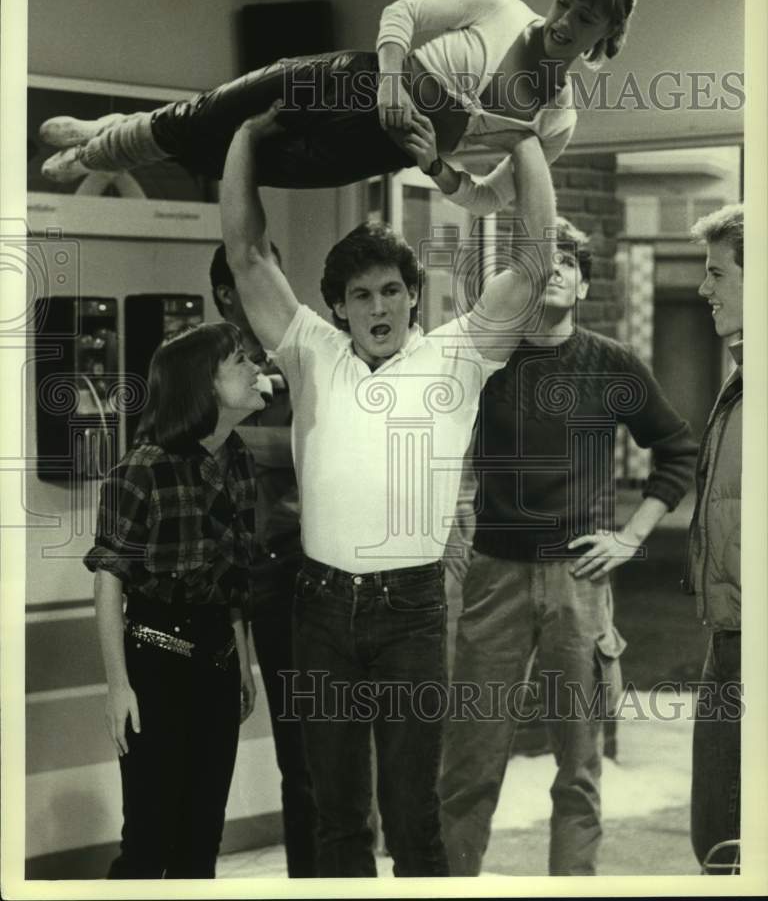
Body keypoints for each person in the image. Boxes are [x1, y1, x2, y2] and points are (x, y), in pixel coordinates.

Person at [217, 100, 558, 876]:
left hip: (409, 611)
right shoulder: (309, 350)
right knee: (335, 820)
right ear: (338, 305)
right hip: (322, 610)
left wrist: (525, 142)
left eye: (393, 292)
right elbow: (244, 253)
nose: (380, 307)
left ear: (413, 296)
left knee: (413, 823)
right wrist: (244, 137)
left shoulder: (458, 354)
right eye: (362, 295)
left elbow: (534, 265)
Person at [439, 217, 698, 876]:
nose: (555, 270)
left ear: (583, 285)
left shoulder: (612, 363)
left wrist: (631, 538)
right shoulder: (485, 359)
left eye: (569, 264)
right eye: (541, 261)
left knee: (578, 766)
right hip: (493, 579)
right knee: (470, 762)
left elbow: (678, 452)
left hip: (578, 583)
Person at [40, 0, 637, 215]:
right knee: (215, 113)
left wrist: (435, 167)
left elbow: (489, 199)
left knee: (234, 160)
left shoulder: (556, 120)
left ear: (607, 34)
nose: (562, 22)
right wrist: (391, 82)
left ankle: (110, 138)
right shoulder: (500, 7)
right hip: (357, 80)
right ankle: (102, 144)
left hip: (378, 149)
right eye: (563, 2)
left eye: (583, 18)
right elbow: (403, 11)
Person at [84, 322, 273, 878]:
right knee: (148, 845)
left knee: (199, 846)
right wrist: (118, 686)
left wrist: (242, 660)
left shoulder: (238, 460)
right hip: (155, 669)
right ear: (204, 385)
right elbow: (108, 578)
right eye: (241, 361)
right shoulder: (141, 469)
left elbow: (234, 579)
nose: (256, 368)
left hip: (216, 662)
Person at [209, 243, 318, 877]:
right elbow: (182, 442)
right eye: (258, 273)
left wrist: (240, 434)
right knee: (201, 756)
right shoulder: (203, 360)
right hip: (217, 582)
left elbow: (328, 445)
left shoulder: (303, 353)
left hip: (299, 574)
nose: (276, 283)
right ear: (229, 292)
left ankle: (315, 883)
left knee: (306, 755)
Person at [683, 204, 743, 873]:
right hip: (727, 634)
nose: (704, 288)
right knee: (719, 837)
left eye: (716, 273)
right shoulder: (739, 375)